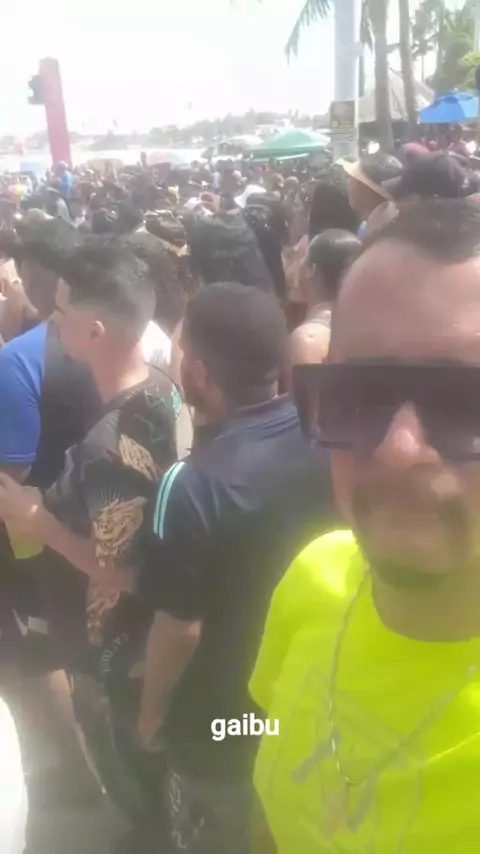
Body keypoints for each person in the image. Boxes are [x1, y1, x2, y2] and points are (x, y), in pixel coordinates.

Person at [251, 198, 480, 854]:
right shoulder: (314, 575)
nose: (400, 450)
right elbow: (270, 772)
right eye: (362, 394)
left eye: (465, 402)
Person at [134, 282, 337, 854]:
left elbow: (180, 629)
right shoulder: (325, 435)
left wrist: (151, 715)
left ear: (198, 371)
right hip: (305, 704)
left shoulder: (190, 485)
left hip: (220, 728)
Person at [288, 229, 361, 380]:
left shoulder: (307, 340)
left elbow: (305, 395)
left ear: (311, 269)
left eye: (302, 258)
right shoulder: (365, 329)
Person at [340, 152, 403, 235]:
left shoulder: (387, 234)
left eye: (352, 180)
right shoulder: (366, 227)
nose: (349, 186)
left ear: (365, 188)